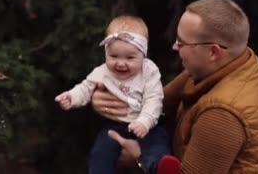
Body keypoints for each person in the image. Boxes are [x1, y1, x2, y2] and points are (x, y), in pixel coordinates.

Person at [92, 0, 258, 173]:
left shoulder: (222, 116)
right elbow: (157, 104)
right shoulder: (233, 61)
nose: (174, 46)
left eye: (182, 42)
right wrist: (104, 101)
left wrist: (140, 158)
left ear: (213, 52)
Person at [54, 15, 179, 174]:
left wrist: (144, 122)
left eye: (130, 58)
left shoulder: (149, 71)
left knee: (157, 144)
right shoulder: (102, 71)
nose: (120, 63)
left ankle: (159, 167)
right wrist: (71, 97)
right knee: (101, 152)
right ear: (106, 52)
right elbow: (85, 88)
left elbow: (154, 99)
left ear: (143, 54)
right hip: (116, 125)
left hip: (147, 124)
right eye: (114, 56)